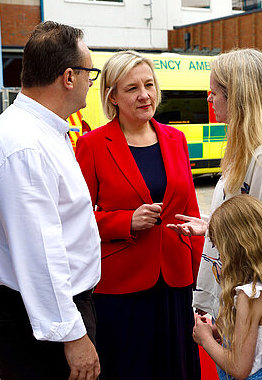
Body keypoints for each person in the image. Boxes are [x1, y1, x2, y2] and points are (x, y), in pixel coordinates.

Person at [0, 21, 101, 380]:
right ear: (69, 77)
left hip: (41, 311)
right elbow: (40, 252)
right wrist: (72, 335)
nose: (92, 81)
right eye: (91, 72)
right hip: (40, 319)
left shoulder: (40, 130)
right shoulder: (25, 145)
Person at [75, 50, 204, 380]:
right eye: (132, 88)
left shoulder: (175, 139)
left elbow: (190, 210)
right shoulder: (92, 144)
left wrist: (203, 285)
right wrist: (124, 221)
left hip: (176, 282)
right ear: (113, 96)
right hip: (122, 287)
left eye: (148, 85)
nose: (144, 95)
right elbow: (76, 219)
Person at [167, 48, 262, 317]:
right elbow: (249, 225)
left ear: (237, 97)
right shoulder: (250, 150)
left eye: (214, 92)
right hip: (241, 307)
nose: (209, 98)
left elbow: (259, 249)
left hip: (251, 315)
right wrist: (211, 226)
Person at [193, 195, 262, 380]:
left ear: (235, 248)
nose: (219, 255)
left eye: (219, 247)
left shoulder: (251, 295)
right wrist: (225, 332)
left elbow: (239, 368)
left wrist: (204, 338)